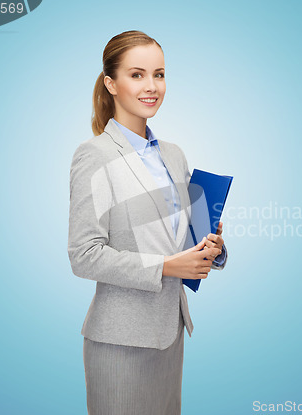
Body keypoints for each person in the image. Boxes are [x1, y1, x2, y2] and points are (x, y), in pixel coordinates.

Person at [67, 30, 228, 415]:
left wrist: (213, 250)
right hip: (121, 343)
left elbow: (180, 236)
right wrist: (167, 267)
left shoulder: (173, 155)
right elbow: (84, 255)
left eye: (159, 74)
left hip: (170, 335)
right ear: (111, 83)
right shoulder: (94, 156)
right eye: (137, 74)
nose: (151, 86)